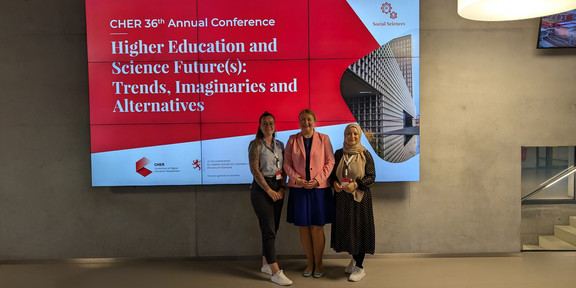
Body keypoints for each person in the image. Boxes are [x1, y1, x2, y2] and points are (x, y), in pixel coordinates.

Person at [284, 109, 335, 278]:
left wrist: (318, 179)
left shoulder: (324, 139)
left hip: (319, 189)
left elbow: (330, 161)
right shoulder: (292, 140)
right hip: (299, 189)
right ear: (299, 122)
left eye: (309, 120)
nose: (306, 123)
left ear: (314, 121)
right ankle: (310, 262)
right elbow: (286, 164)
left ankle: (319, 263)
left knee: (317, 227)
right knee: (304, 227)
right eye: (303, 120)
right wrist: (297, 180)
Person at [248, 111, 293, 286]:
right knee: (268, 229)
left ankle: (265, 264)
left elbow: (285, 168)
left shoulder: (280, 145)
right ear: (260, 126)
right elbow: (254, 170)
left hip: (278, 187)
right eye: (265, 123)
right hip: (261, 190)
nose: (269, 126)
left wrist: (282, 188)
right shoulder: (255, 144)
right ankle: (275, 272)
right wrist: (269, 190)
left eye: (271, 123)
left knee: (273, 229)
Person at [330, 123, 376, 282]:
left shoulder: (365, 154)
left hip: (360, 199)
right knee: (348, 230)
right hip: (342, 199)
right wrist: (335, 184)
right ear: (344, 136)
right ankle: (354, 260)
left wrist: (355, 185)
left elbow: (371, 177)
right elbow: (332, 176)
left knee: (359, 230)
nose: (352, 137)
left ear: (360, 136)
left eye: (355, 134)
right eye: (349, 134)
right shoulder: (338, 154)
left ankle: (360, 267)